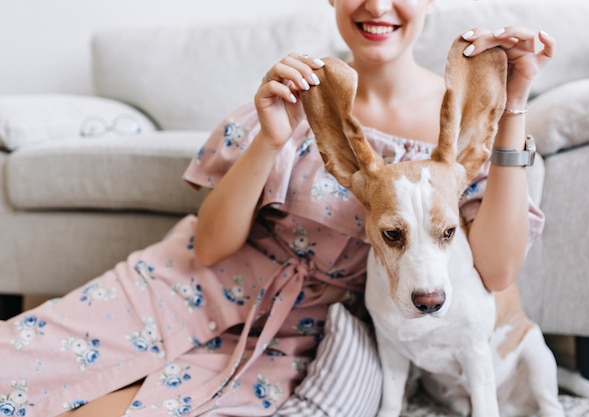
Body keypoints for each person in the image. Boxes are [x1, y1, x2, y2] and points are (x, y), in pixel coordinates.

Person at [0, 0, 554, 415]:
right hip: (195, 282)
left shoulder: (462, 132)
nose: (378, 6)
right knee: (21, 368)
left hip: (295, 334)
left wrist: (515, 103)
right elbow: (211, 246)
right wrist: (270, 139)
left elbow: (498, 272)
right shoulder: (302, 92)